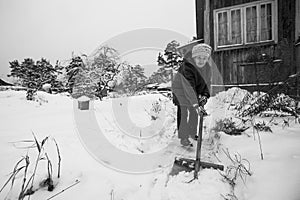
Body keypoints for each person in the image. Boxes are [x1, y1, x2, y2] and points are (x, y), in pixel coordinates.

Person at [172, 43, 212, 147]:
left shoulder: (207, 68)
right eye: (199, 57)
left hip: (193, 91)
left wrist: (205, 95)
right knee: (183, 112)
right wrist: (195, 104)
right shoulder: (187, 67)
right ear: (194, 57)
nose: (201, 60)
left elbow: (206, 83)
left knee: (194, 113)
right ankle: (183, 137)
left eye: (204, 58)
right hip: (180, 90)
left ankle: (192, 132)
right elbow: (188, 87)